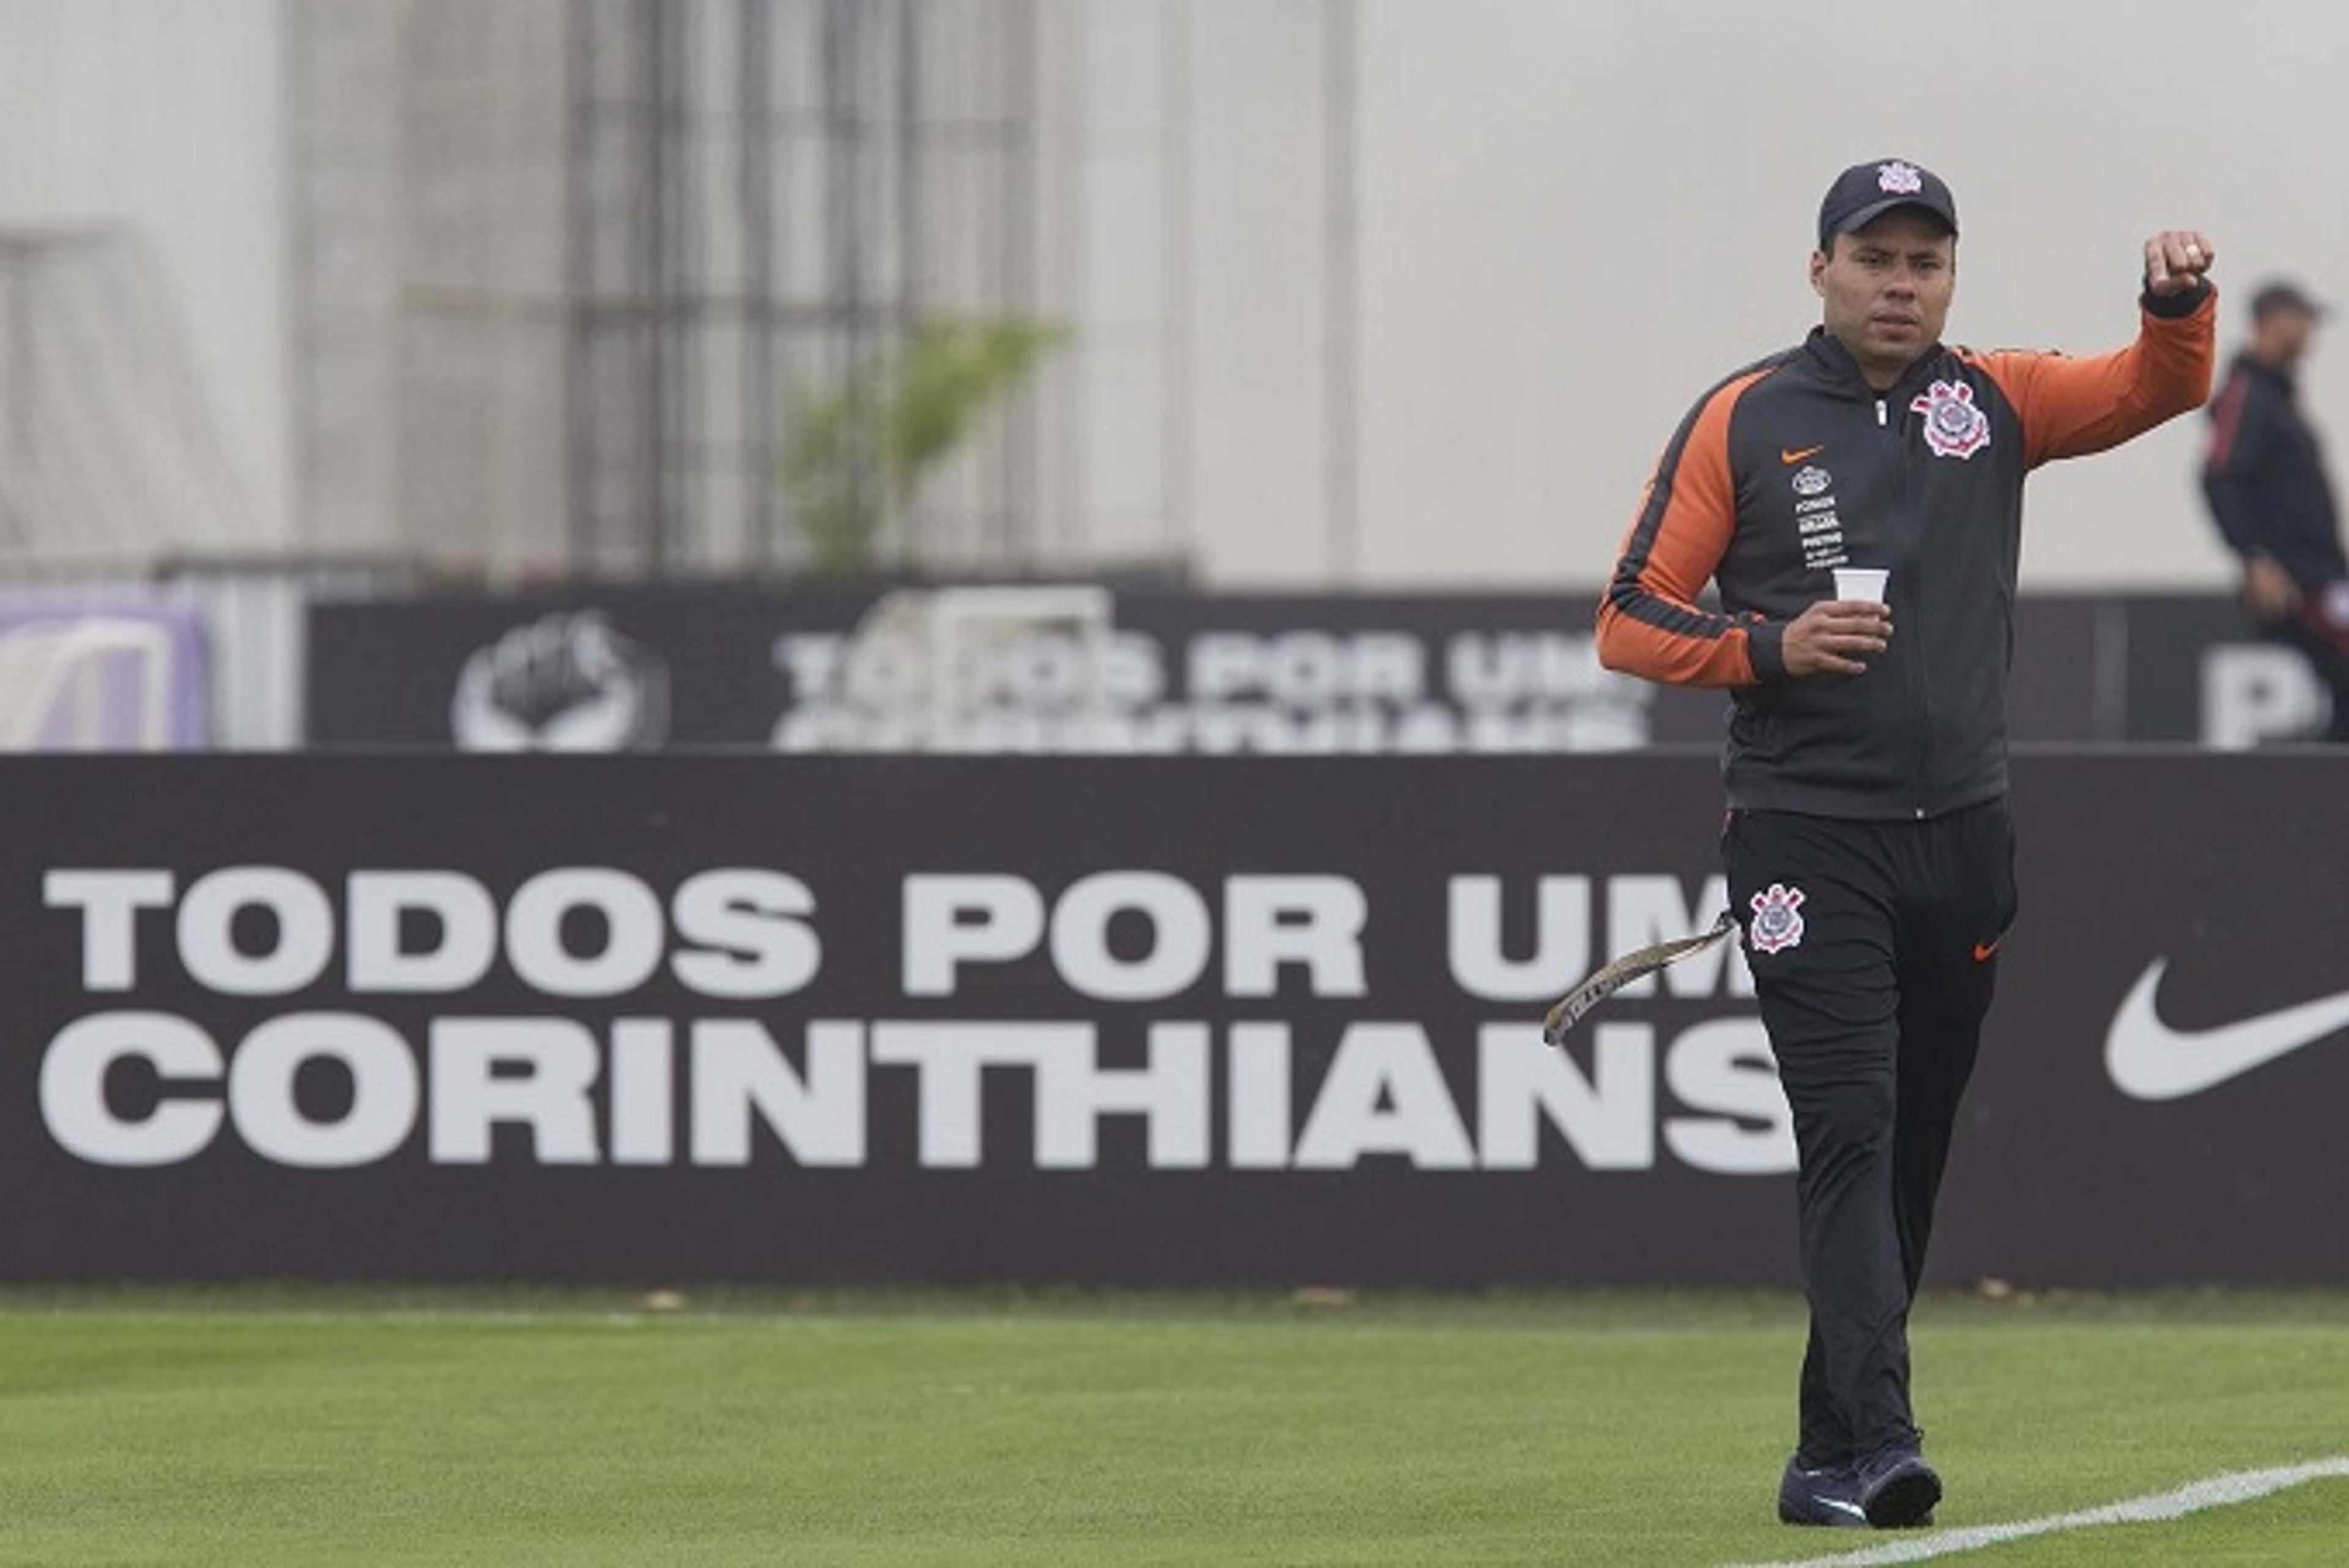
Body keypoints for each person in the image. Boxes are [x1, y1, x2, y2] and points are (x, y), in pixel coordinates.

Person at [1594, 158, 2215, 1529]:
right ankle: (1882, 1442)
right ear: (1820, 269)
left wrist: (2177, 306)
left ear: (1950, 277)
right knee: (1851, 1129)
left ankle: (1825, 1452)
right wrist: (1772, 644)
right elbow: (1630, 616)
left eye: (1925, 260)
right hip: (1807, 838)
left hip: (1964, 836)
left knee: (1912, 1144)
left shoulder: (1987, 397)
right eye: (1875, 257)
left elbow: (2154, 389)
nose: (1901, 282)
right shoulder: (1747, 416)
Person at [2200, 279, 2349, 741]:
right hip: (2298, 582)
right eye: (2302, 318)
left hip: (2322, 576)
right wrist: (2255, 558)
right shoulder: (2248, 393)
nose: (2309, 331)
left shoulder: (2278, 398)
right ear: (2273, 320)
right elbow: (2219, 477)